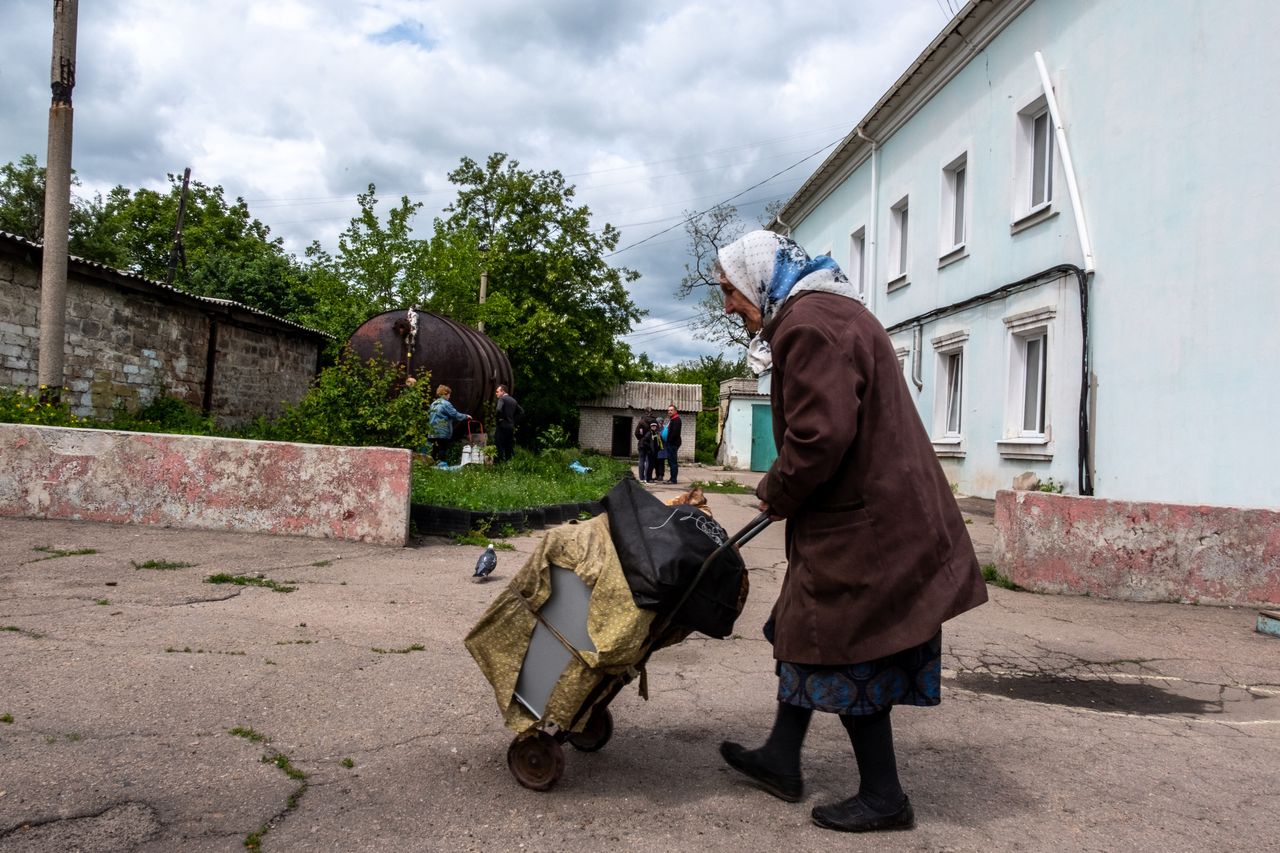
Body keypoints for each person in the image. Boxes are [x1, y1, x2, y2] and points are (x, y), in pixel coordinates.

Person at [714, 231, 987, 834]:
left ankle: (885, 797)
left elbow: (818, 437)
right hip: (871, 513)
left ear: (760, 279)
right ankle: (782, 758)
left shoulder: (808, 326)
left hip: (869, 525)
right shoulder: (832, 312)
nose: (729, 305)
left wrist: (777, 491)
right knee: (801, 626)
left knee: (842, 643)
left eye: (731, 290)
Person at [427, 385, 469, 462]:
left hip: (432, 430)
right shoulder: (446, 404)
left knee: (434, 450)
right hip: (441, 430)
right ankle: (441, 466)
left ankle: (431, 466)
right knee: (442, 449)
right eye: (449, 394)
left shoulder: (433, 404)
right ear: (445, 394)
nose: (449, 397)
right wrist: (466, 416)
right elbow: (455, 414)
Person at [494, 384, 523, 463]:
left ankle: (498, 464)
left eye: (497, 392)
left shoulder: (501, 399)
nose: (496, 393)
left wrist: (498, 420)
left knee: (498, 444)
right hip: (510, 426)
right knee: (508, 446)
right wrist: (513, 421)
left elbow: (498, 410)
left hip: (502, 425)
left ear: (502, 391)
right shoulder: (513, 400)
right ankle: (509, 464)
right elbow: (521, 412)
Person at [662, 404, 683, 484]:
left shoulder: (677, 420)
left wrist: (668, 441)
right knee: (671, 462)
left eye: (671, 410)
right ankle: (672, 478)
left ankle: (673, 479)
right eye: (668, 410)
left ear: (675, 411)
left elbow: (675, 434)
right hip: (670, 443)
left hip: (672, 444)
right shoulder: (672, 419)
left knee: (673, 462)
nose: (669, 411)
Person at [635, 416, 653, 482]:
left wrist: (640, 438)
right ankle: (647, 477)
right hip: (650, 444)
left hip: (642, 444)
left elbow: (636, 433)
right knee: (648, 460)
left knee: (641, 460)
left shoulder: (641, 422)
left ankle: (641, 478)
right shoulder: (653, 421)